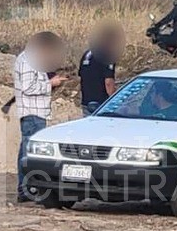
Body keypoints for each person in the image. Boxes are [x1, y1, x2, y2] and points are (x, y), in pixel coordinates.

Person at [12, 31, 65, 202]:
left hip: (36, 112)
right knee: (30, 153)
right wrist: (50, 84)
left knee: (26, 151)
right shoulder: (28, 61)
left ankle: (26, 188)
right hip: (32, 113)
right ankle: (27, 189)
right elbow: (28, 87)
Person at [78, 21, 125, 116]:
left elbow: (81, 76)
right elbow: (108, 83)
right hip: (101, 104)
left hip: (86, 102)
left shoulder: (88, 53)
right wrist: (115, 102)